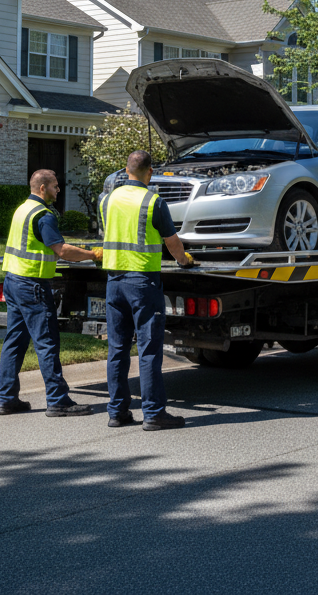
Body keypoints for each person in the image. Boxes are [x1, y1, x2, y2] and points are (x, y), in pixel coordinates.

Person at [100, 149, 196, 430]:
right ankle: (153, 414)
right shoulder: (153, 201)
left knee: (117, 349)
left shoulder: (107, 200)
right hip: (142, 282)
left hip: (114, 281)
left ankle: (117, 412)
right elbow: (172, 242)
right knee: (149, 349)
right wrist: (185, 261)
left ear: (126, 170)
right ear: (150, 172)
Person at [0, 169, 102, 417]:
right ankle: (58, 401)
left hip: (13, 280)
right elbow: (62, 250)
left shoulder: (23, 209)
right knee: (46, 342)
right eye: (55, 186)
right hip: (32, 285)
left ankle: (7, 399)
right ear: (43, 188)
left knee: (14, 342)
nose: (58, 190)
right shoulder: (44, 215)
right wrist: (93, 254)